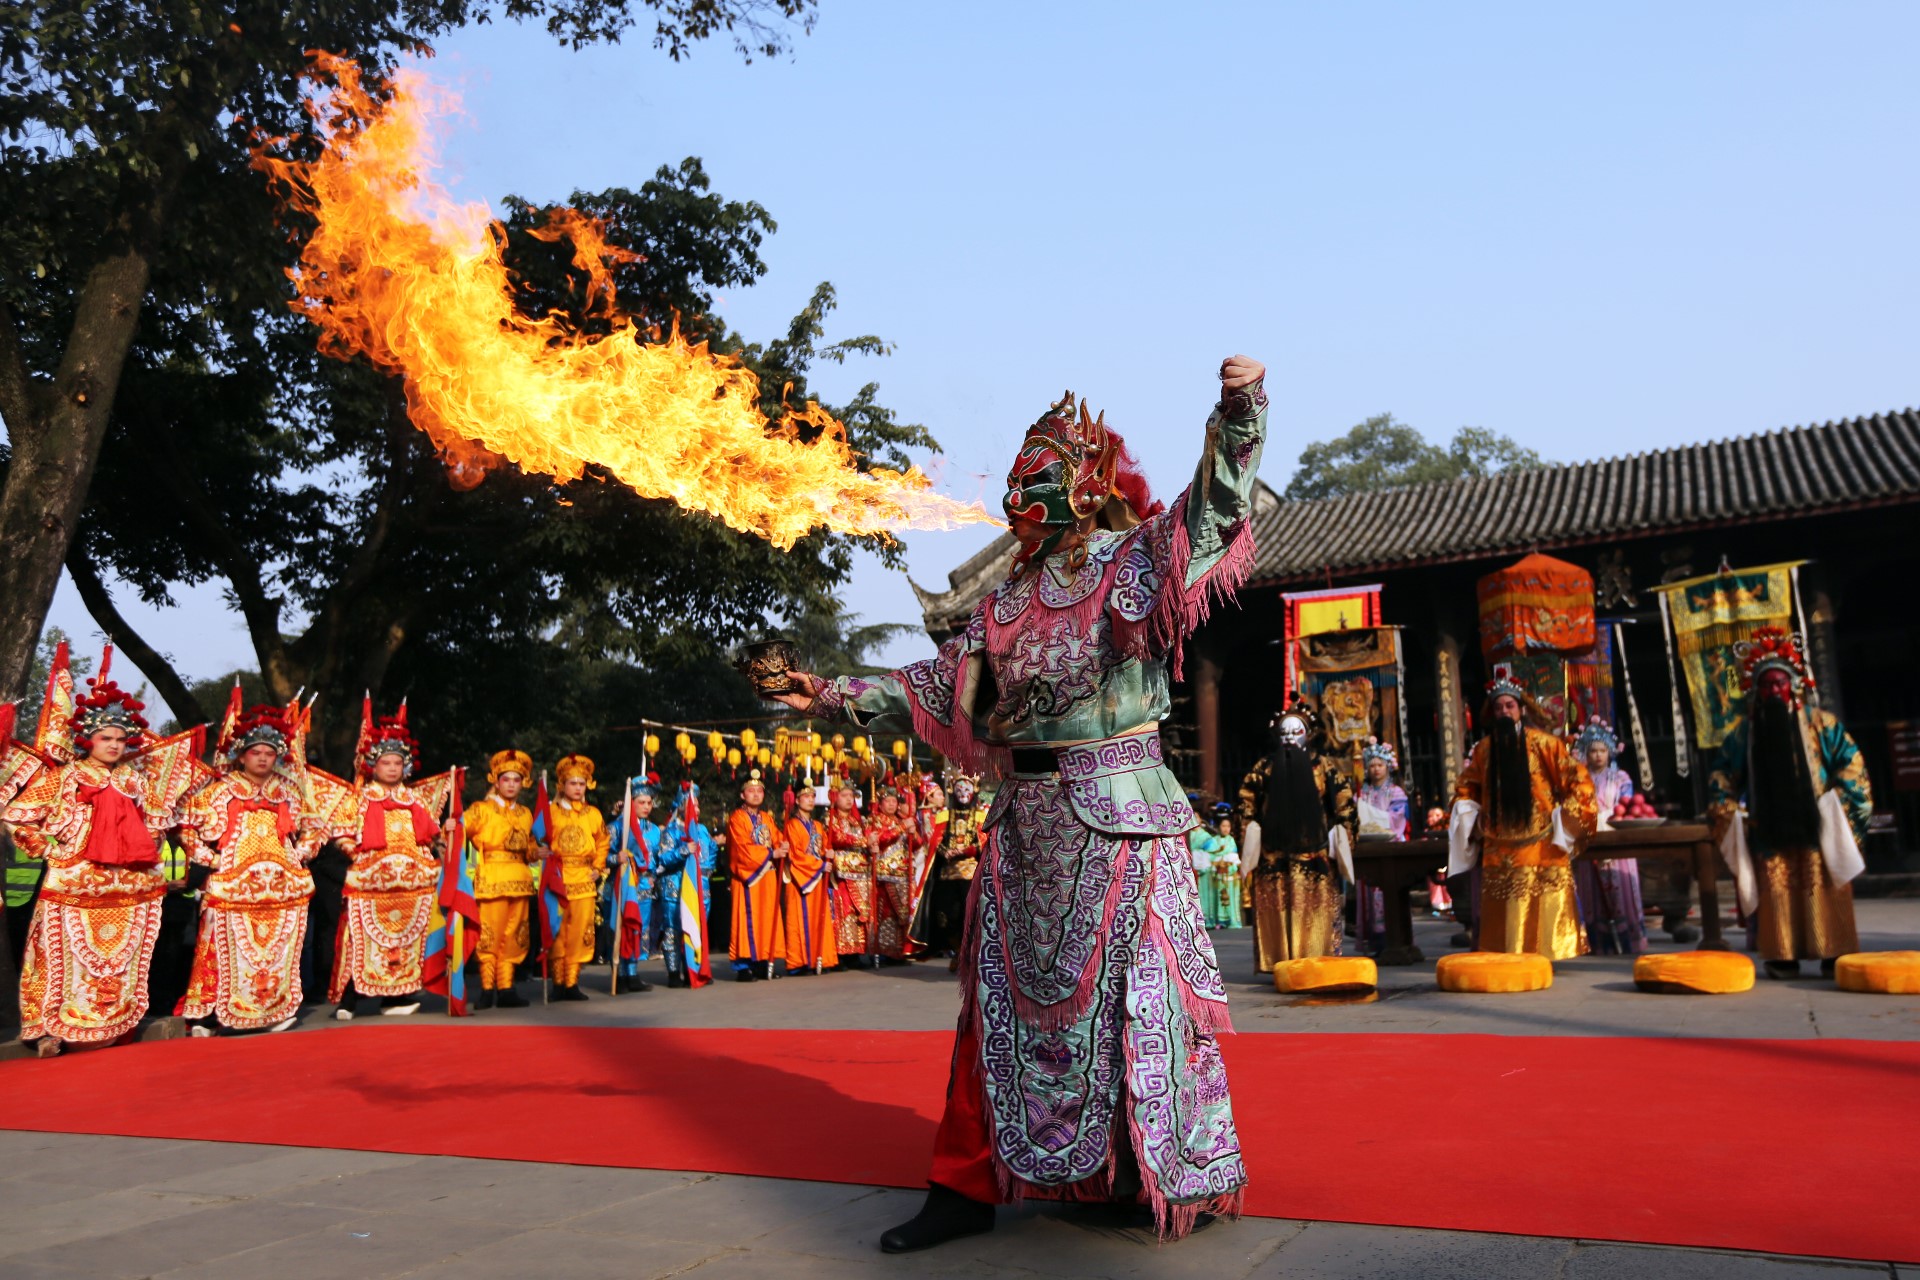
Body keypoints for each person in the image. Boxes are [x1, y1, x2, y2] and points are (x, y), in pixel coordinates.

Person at [776, 356, 1266, 1249]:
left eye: (1040, 472)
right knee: (992, 1008)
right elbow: (935, 688)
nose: (1019, 489)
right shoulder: (999, 605)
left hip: (1118, 820)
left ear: (1085, 488)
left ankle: (1133, 1172)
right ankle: (961, 1185)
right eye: (1018, 473)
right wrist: (827, 690)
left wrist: (1238, 411)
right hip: (1022, 829)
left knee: (1133, 1000)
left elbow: (1215, 513)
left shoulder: (1131, 562)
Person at [4, 650, 207, 1056]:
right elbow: (16, 815)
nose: (114, 745)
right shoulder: (65, 777)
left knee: (119, 959)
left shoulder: (135, 781)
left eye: (120, 738)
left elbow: (158, 820)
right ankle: (49, 1029)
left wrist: (145, 843)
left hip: (129, 885)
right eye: (105, 738)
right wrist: (50, 847)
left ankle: (110, 1022)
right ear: (88, 740)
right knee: (56, 958)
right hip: (73, 880)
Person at [1708, 629, 1872, 979]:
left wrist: (1838, 800)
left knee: (1825, 883)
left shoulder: (1820, 724)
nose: (1773, 691)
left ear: (1795, 686)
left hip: (1816, 822)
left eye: (1780, 684)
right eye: (1766, 685)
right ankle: (1782, 954)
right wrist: (1727, 805)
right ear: (1756, 690)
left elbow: (1851, 762)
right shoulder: (1744, 733)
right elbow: (1723, 772)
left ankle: (1834, 950)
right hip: (1769, 825)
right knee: (1777, 887)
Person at [178, 703, 324, 1034]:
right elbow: (186, 827)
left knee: (277, 951)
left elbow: (314, 827)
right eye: (255, 752)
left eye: (268, 754)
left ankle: (270, 1010)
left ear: (277, 758)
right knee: (217, 946)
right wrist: (210, 858)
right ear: (241, 755)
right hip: (232, 883)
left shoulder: (288, 793)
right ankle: (207, 1016)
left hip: (282, 887)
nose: (262, 759)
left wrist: (301, 853)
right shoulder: (218, 792)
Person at [1449, 678, 1598, 959]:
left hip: (1541, 841)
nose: (1504, 711)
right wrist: (1469, 814)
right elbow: (1465, 788)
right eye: (1499, 707)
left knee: (1542, 900)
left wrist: (1565, 815)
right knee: (1504, 904)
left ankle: (1545, 954)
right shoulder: (1483, 750)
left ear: (1521, 709)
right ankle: (1506, 956)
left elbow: (1579, 781)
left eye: (1510, 706)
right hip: (1498, 843)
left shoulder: (1545, 743)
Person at [330, 705, 448, 1020]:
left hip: (413, 884)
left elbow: (432, 835)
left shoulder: (416, 800)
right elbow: (341, 833)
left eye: (398, 763)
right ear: (374, 765)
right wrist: (359, 856)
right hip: (371, 883)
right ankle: (350, 999)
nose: (393, 768)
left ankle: (399, 996)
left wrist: (444, 844)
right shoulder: (360, 797)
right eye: (386, 763)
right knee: (361, 940)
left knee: (407, 940)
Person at [1236, 701, 1356, 971]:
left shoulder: (1324, 767)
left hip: (1316, 856)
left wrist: (1343, 836)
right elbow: (1245, 806)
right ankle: (1278, 963)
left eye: (1295, 732)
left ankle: (1318, 959)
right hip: (1272, 857)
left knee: (1315, 910)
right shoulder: (1263, 768)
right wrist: (1247, 836)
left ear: (1307, 734)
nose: (1289, 738)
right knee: (1277, 910)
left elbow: (1345, 804)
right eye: (1285, 734)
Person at [1571, 717, 1647, 955]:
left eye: (1602, 750)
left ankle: (1630, 942)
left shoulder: (1621, 778)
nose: (1597, 756)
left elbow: (1626, 804)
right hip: (1589, 837)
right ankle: (1598, 943)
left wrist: (1607, 817)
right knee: (1591, 892)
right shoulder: (1579, 779)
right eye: (1592, 751)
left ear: (1610, 751)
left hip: (1615, 836)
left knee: (1621, 888)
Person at [545, 754, 609, 1000]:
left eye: (581, 783)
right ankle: (558, 983)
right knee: (558, 930)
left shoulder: (593, 814)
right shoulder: (551, 812)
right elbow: (538, 837)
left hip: (583, 879)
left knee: (580, 930)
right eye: (573, 783)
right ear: (562, 785)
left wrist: (598, 865)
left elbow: (603, 840)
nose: (577, 788)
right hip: (558, 878)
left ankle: (572, 982)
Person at [1353, 738, 1409, 955]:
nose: (1376, 769)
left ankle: (1392, 938)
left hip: (1390, 847)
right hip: (1368, 849)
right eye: (1372, 765)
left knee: (1386, 895)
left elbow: (1397, 820)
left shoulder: (1395, 792)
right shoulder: (1363, 793)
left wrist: (1375, 819)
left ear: (1388, 766)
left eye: (1380, 765)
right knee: (1368, 895)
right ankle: (1374, 941)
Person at [658, 782, 716, 988]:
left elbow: (712, 853)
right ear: (680, 806)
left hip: (701, 888)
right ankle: (674, 972)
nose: (696, 809)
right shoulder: (671, 831)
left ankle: (694, 968)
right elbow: (663, 859)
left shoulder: (702, 830)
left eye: (697, 805)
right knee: (673, 930)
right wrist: (683, 851)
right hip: (676, 888)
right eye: (691, 804)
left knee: (697, 929)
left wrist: (706, 870)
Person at [727, 774, 784, 981]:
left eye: (760, 791)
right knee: (746, 920)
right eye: (751, 791)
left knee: (766, 919)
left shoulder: (766, 818)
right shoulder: (737, 818)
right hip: (748, 877)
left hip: (766, 877)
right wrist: (770, 854)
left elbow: (776, 838)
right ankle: (743, 967)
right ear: (743, 795)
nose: (756, 794)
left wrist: (782, 846)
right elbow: (742, 849)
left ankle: (762, 963)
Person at [608, 777, 661, 991]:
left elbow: (656, 858)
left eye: (649, 803)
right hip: (622, 885)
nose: (646, 807)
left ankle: (632, 973)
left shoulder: (655, 830)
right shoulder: (617, 827)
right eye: (642, 802)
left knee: (639, 929)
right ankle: (619, 974)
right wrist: (616, 859)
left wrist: (654, 875)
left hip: (644, 888)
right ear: (632, 802)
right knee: (621, 929)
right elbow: (603, 855)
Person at [779, 785, 837, 974]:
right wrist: (819, 864)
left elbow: (821, 849)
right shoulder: (791, 825)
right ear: (796, 800)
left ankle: (820, 958)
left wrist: (828, 855)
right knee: (798, 920)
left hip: (817, 878)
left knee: (818, 918)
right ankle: (800, 962)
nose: (810, 800)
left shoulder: (818, 826)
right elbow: (795, 855)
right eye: (805, 797)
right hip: (800, 880)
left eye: (812, 796)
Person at [928, 774, 984, 959]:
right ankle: (958, 951)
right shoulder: (944, 815)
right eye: (959, 789)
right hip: (948, 874)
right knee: (944, 916)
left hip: (971, 874)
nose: (963, 793)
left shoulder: (980, 815)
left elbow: (984, 843)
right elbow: (936, 840)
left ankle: (966, 954)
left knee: (970, 916)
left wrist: (967, 850)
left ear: (974, 791)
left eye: (967, 789)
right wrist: (945, 851)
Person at [825, 781, 875, 966]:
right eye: (844, 795)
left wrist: (872, 843)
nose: (848, 799)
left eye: (851, 796)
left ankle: (856, 952)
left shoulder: (858, 820)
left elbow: (870, 837)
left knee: (859, 914)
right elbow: (837, 837)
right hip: (841, 874)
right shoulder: (831, 818)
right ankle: (841, 953)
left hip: (861, 872)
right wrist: (864, 841)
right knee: (843, 911)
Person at [868, 786, 917, 963]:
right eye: (887, 801)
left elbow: (917, 843)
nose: (891, 804)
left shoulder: (901, 820)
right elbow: (880, 838)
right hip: (885, 873)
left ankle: (901, 950)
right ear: (880, 804)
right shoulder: (875, 821)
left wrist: (913, 832)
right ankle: (885, 951)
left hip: (904, 872)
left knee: (903, 914)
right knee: (887, 913)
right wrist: (902, 828)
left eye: (894, 801)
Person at [1206, 803, 1243, 929]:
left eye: (1228, 826)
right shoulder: (1214, 841)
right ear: (1218, 827)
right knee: (1219, 896)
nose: (1226, 828)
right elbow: (1209, 857)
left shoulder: (1231, 841)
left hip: (1230, 873)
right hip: (1218, 873)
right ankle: (1219, 920)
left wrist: (1230, 863)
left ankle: (1233, 919)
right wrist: (1218, 861)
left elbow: (1234, 856)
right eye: (1223, 826)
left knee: (1231, 897)